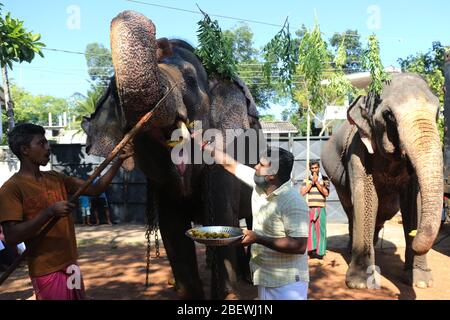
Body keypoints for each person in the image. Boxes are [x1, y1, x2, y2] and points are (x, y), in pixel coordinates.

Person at [0, 123, 132, 300]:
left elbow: (95, 189)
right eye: (41, 143)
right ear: (25, 150)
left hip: (70, 264)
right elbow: (11, 236)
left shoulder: (56, 178)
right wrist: (49, 212)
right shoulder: (12, 189)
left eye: (47, 142)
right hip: (46, 270)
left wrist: (118, 161)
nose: (48, 147)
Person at [202, 142, 309, 300]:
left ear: (272, 173)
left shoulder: (293, 201)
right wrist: (204, 145)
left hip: (287, 285)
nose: (256, 166)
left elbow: (299, 245)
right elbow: (230, 164)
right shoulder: (260, 187)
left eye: (261, 164)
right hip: (264, 278)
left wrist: (257, 238)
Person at [300, 160, 330, 259]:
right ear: (310, 169)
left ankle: (321, 253)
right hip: (310, 208)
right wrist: (311, 183)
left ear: (319, 168)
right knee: (310, 230)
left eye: (316, 168)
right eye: (312, 168)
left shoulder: (325, 179)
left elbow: (326, 193)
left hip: (321, 208)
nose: (314, 170)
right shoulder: (306, 180)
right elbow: (302, 193)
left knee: (321, 230)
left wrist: (317, 183)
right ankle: (311, 251)